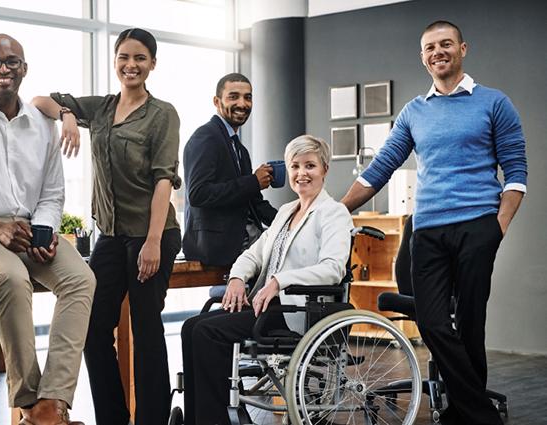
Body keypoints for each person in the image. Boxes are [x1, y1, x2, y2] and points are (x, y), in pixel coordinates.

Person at [340, 21, 527, 425]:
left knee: (472, 324)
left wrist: (498, 227)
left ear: (463, 48)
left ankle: (463, 414)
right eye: (429, 47)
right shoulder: (414, 111)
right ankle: (482, 416)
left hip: (478, 226)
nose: (437, 51)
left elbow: (515, 172)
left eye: (445, 44)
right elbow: (380, 169)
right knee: (432, 320)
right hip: (426, 232)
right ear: (422, 57)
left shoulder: (494, 103)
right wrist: (337, 209)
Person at [33, 28, 182, 425]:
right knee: (94, 327)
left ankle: (151, 418)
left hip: (153, 233)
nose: (131, 65)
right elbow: (39, 101)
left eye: (140, 58)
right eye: (124, 57)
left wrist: (151, 242)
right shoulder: (100, 108)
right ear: (115, 61)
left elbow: (163, 179)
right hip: (111, 236)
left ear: (152, 64)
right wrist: (67, 114)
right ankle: (113, 418)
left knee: (147, 329)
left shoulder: (162, 113)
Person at [0, 33, 95, 425]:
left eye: (12, 62)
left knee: (81, 280)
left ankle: (52, 402)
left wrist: (43, 230)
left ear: (24, 68)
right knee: (11, 278)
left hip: (29, 227)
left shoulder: (42, 123)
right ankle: (28, 401)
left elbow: (53, 192)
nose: (4, 69)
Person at [181, 135, 352, 425]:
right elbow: (254, 254)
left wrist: (279, 281)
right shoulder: (286, 212)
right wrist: (237, 277)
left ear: (324, 169)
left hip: (296, 312)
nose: (301, 173)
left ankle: (215, 420)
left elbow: (332, 269)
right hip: (267, 306)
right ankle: (197, 419)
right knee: (191, 327)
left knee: (207, 333)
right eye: (295, 166)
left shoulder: (333, 214)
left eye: (310, 165)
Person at [182, 72, 278, 266]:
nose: (242, 104)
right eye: (233, 97)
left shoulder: (239, 148)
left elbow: (253, 201)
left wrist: (292, 220)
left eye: (248, 97)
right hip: (218, 245)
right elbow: (198, 194)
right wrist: (253, 181)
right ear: (217, 102)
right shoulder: (205, 137)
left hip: (244, 239)